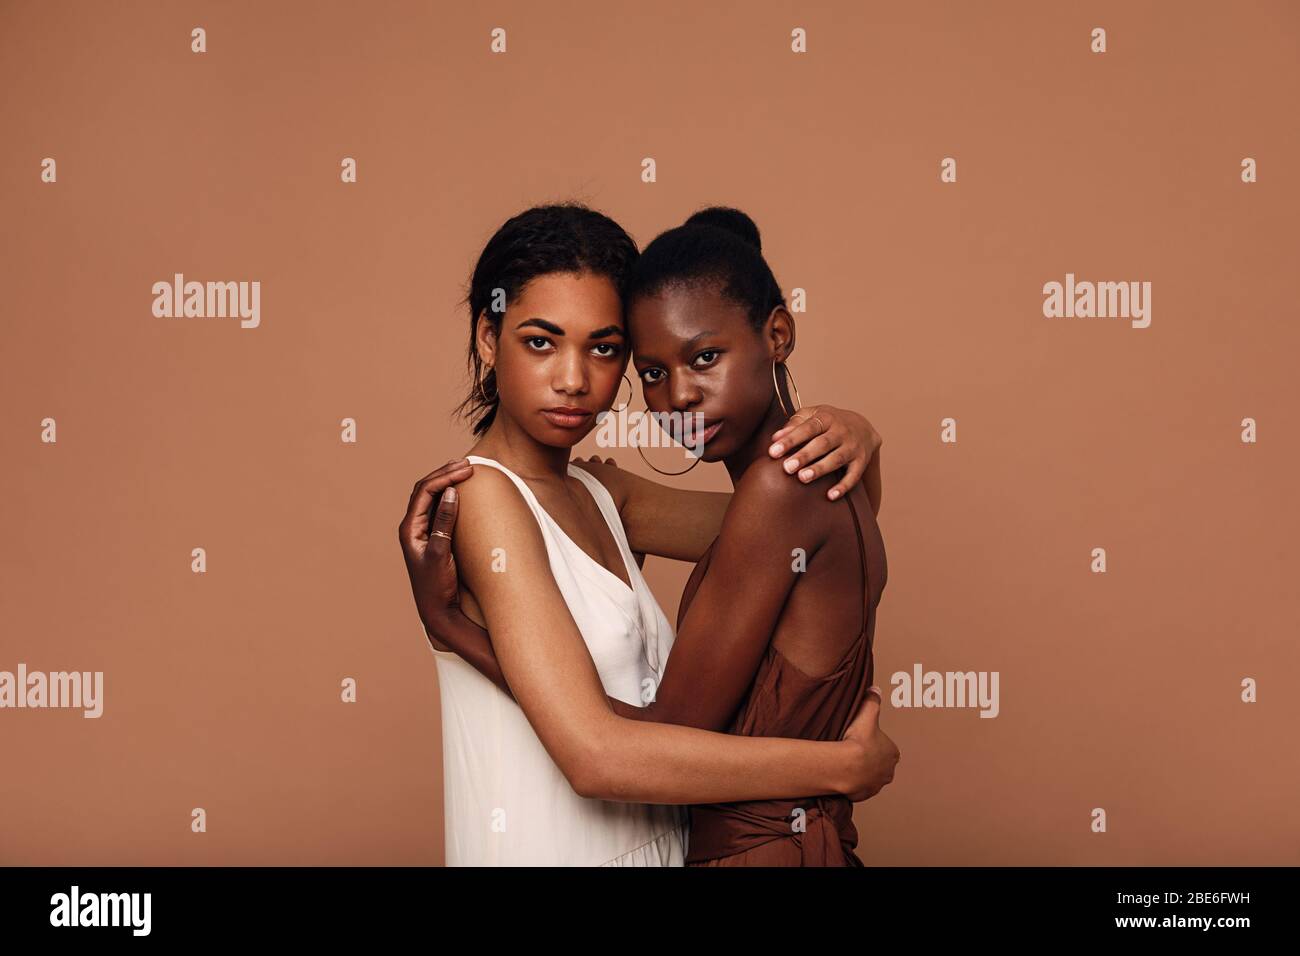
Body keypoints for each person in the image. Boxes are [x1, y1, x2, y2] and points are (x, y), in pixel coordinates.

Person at [404, 204, 897, 866]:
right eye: (540, 341)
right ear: (489, 340)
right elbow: (596, 756)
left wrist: (858, 432)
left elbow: (815, 527)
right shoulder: (485, 497)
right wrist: (838, 768)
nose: (574, 380)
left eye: (604, 348)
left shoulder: (607, 496)